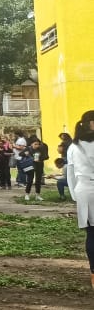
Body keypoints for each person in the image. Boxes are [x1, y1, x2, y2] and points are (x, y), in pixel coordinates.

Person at [65, 110, 94, 290]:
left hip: (83, 190)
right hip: (87, 188)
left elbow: (70, 172)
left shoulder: (73, 146)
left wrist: (75, 195)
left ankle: (93, 272)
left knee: (92, 233)